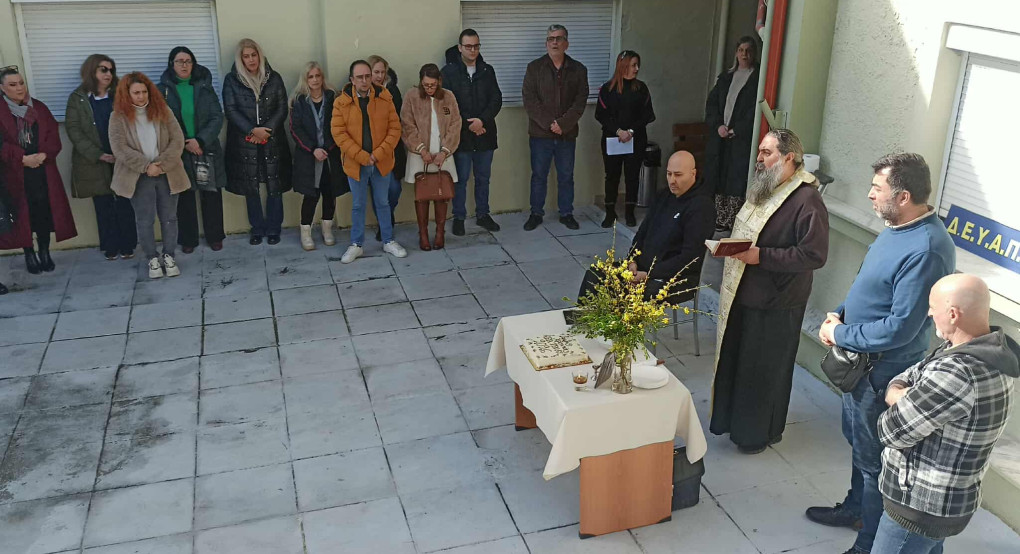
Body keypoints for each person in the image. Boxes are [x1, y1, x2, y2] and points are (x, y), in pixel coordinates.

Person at [810, 153, 956, 554]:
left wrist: (842, 332)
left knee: (876, 463)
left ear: (904, 195)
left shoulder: (926, 248)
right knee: (859, 444)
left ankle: (868, 543)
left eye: (878, 189)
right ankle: (856, 509)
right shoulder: (895, 227)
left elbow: (900, 328)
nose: (871, 196)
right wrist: (839, 312)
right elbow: (868, 286)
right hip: (858, 362)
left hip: (880, 373)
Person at [874, 274, 1016, 553]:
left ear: (952, 314)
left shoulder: (957, 372)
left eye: (932, 306)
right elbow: (911, 373)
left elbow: (890, 431)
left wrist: (897, 395)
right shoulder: (985, 350)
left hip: (919, 507)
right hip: (948, 503)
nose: (929, 313)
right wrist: (901, 392)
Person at [710, 128, 829, 454]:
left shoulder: (807, 200)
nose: (759, 159)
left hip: (777, 303)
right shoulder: (768, 189)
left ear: (789, 157)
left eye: (767, 153)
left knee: (762, 372)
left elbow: (814, 255)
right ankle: (732, 424)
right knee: (740, 365)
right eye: (760, 152)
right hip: (746, 294)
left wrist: (761, 256)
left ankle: (755, 435)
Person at [578, 151, 714, 302]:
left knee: (622, 294)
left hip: (673, 277)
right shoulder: (664, 195)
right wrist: (632, 261)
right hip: (641, 267)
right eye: (669, 174)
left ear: (693, 174)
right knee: (595, 275)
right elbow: (642, 233)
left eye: (678, 175)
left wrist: (650, 274)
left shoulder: (701, 207)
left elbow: (690, 257)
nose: (672, 180)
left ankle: (612, 325)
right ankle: (583, 324)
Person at [108, 72, 189, 279]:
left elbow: (177, 140)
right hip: (139, 175)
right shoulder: (118, 116)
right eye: (136, 93)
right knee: (144, 220)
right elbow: (119, 148)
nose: (141, 97)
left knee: (170, 217)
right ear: (127, 94)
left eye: (144, 92)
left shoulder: (163, 110)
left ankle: (169, 255)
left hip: (166, 172)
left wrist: (161, 165)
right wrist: (146, 166)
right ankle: (152, 258)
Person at [0, 66, 77, 273]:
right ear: (2, 88)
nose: (19, 88)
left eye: (21, 83)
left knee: (43, 212)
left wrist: (44, 155)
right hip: (15, 173)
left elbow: (53, 135)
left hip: (43, 170)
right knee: (24, 216)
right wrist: (22, 159)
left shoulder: (39, 107)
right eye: (13, 85)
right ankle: (29, 254)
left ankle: (44, 251)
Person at [331, 59, 407, 263]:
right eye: (360, 77)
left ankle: (389, 240)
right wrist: (362, 156)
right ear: (352, 80)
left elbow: (395, 128)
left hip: (381, 161)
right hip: (356, 163)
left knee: (383, 202)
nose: (365, 80)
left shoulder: (384, 97)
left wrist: (378, 154)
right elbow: (339, 134)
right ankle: (356, 244)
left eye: (367, 76)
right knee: (358, 204)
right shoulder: (341, 102)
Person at [66, 54, 137, 260]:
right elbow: (74, 130)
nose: (108, 74)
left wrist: (123, 152)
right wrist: (98, 155)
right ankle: (110, 246)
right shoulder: (78, 98)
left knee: (125, 200)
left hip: (121, 156)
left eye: (111, 69)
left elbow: (133, 122)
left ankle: (128, 244)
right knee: (103, 203)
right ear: (91, 72)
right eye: (103, 69)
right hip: (95, 160)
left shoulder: (120, 94)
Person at [223, 38, 292, 245]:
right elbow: (231, 109)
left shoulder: (274, 77)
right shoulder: (231, 80)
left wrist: (266, 131)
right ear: (240, 59)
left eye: (254, 55)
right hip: (245, 142)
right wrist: (253, 131)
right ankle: (257, 228)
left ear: (259, 56)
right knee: (250, 186)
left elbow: (282, 108)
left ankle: (273, 228)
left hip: (272, 140)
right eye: (246, 56)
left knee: (274, 185)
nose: (251, 60)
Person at [160, 46, 227, 253]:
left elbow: (217, 116)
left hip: (205, 147)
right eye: (179, 61)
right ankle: (188, 239)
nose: (184, 65)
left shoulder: (204, 86)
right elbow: (162, 122)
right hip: (179, 151)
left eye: (188, 61)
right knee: (184, 196)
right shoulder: (162, 90)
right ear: (172, 64)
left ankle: (215, 236)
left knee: (211, 194)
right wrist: (185, 142)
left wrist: (200, 140)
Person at [522, 24, 588, 231]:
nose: (555, 42)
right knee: (539, 175)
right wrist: (550, 124)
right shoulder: (534, 68)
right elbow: (530, 100)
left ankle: (566, 213)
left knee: (566, 176)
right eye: (551, 39)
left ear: (566, 43)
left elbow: (580, 101)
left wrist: (563, 124)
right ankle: (536, 213)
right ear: (546, 43)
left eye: (559, 39)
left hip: (566, 135)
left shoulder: (578, 69)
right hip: (540, 134)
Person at [442, 28, 503, 235]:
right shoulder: (449, 72)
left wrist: (482, 121)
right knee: (460, 178)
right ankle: (459, 217)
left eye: (476, 46)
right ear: (460, 48)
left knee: (483, 177)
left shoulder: (487, 70)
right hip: (461, 135)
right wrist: (471, 123)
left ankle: (483, 215)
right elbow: (448, 104)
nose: (473, 50)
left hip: (485, 133)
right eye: (468, 46)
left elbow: (496, 99)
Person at [401, 63, 461, 251]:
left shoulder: (448, 97)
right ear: (420, 82)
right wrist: (421, 149)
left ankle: (440, 232)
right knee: (422, 196)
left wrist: (444, 151)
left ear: (439, 82)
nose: (429, 88)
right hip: (420, 154)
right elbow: (407, 124)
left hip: (444, 154)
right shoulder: (412, 96)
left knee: (442, 195)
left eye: (433, 85)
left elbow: (455, 124)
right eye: (426, 85)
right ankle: (424, 233)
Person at [704, 36, 760, 232]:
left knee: (735, 177)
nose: (745, 54)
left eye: (749, 50)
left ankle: (731, 219)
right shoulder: (726, 77)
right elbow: (712, 105)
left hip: (740, 139)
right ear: (736, 53)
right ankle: (717, 218)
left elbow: (755, 110)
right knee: (717, 174)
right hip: (721, 136)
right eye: (741, 50)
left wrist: (739, 129)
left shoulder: (757, 79)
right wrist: (718, 125)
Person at [595, 50, 655, 228]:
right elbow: (601, 114)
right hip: (613, 140)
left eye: (637, 65)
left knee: (632, 176)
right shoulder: (607, 89)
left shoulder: (641, 88)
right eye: (632, 65)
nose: (636, 69)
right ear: (623, 66)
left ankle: (630, 211)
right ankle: (610, 211)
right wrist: (618, 130)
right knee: (612, 175)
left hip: (635, 139)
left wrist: (630, 131)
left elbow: (648, 115)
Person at [290, 61, 347, 251]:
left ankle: (327, 229)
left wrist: (328, 147)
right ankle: (306, 232)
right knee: (311, 195)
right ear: (306, 79)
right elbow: (295, 129)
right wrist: (313, 148)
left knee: (330, 194)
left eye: (317, 76)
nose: (314, 80)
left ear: (322, 78)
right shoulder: (299, 101)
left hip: (330, 155)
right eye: (310, 76)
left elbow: (340, 125)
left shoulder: (333, 98)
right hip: (309, 157)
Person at [367, 55, 405, 241]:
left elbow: (397, 121)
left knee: (394, 189)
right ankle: (385, 223)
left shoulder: (393, 92)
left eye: (383, 72)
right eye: (376, 72)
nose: (380, 76)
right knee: (378, 191)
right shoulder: (361, 93)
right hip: (370, 152)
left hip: (391, 149)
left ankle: (387, 216)